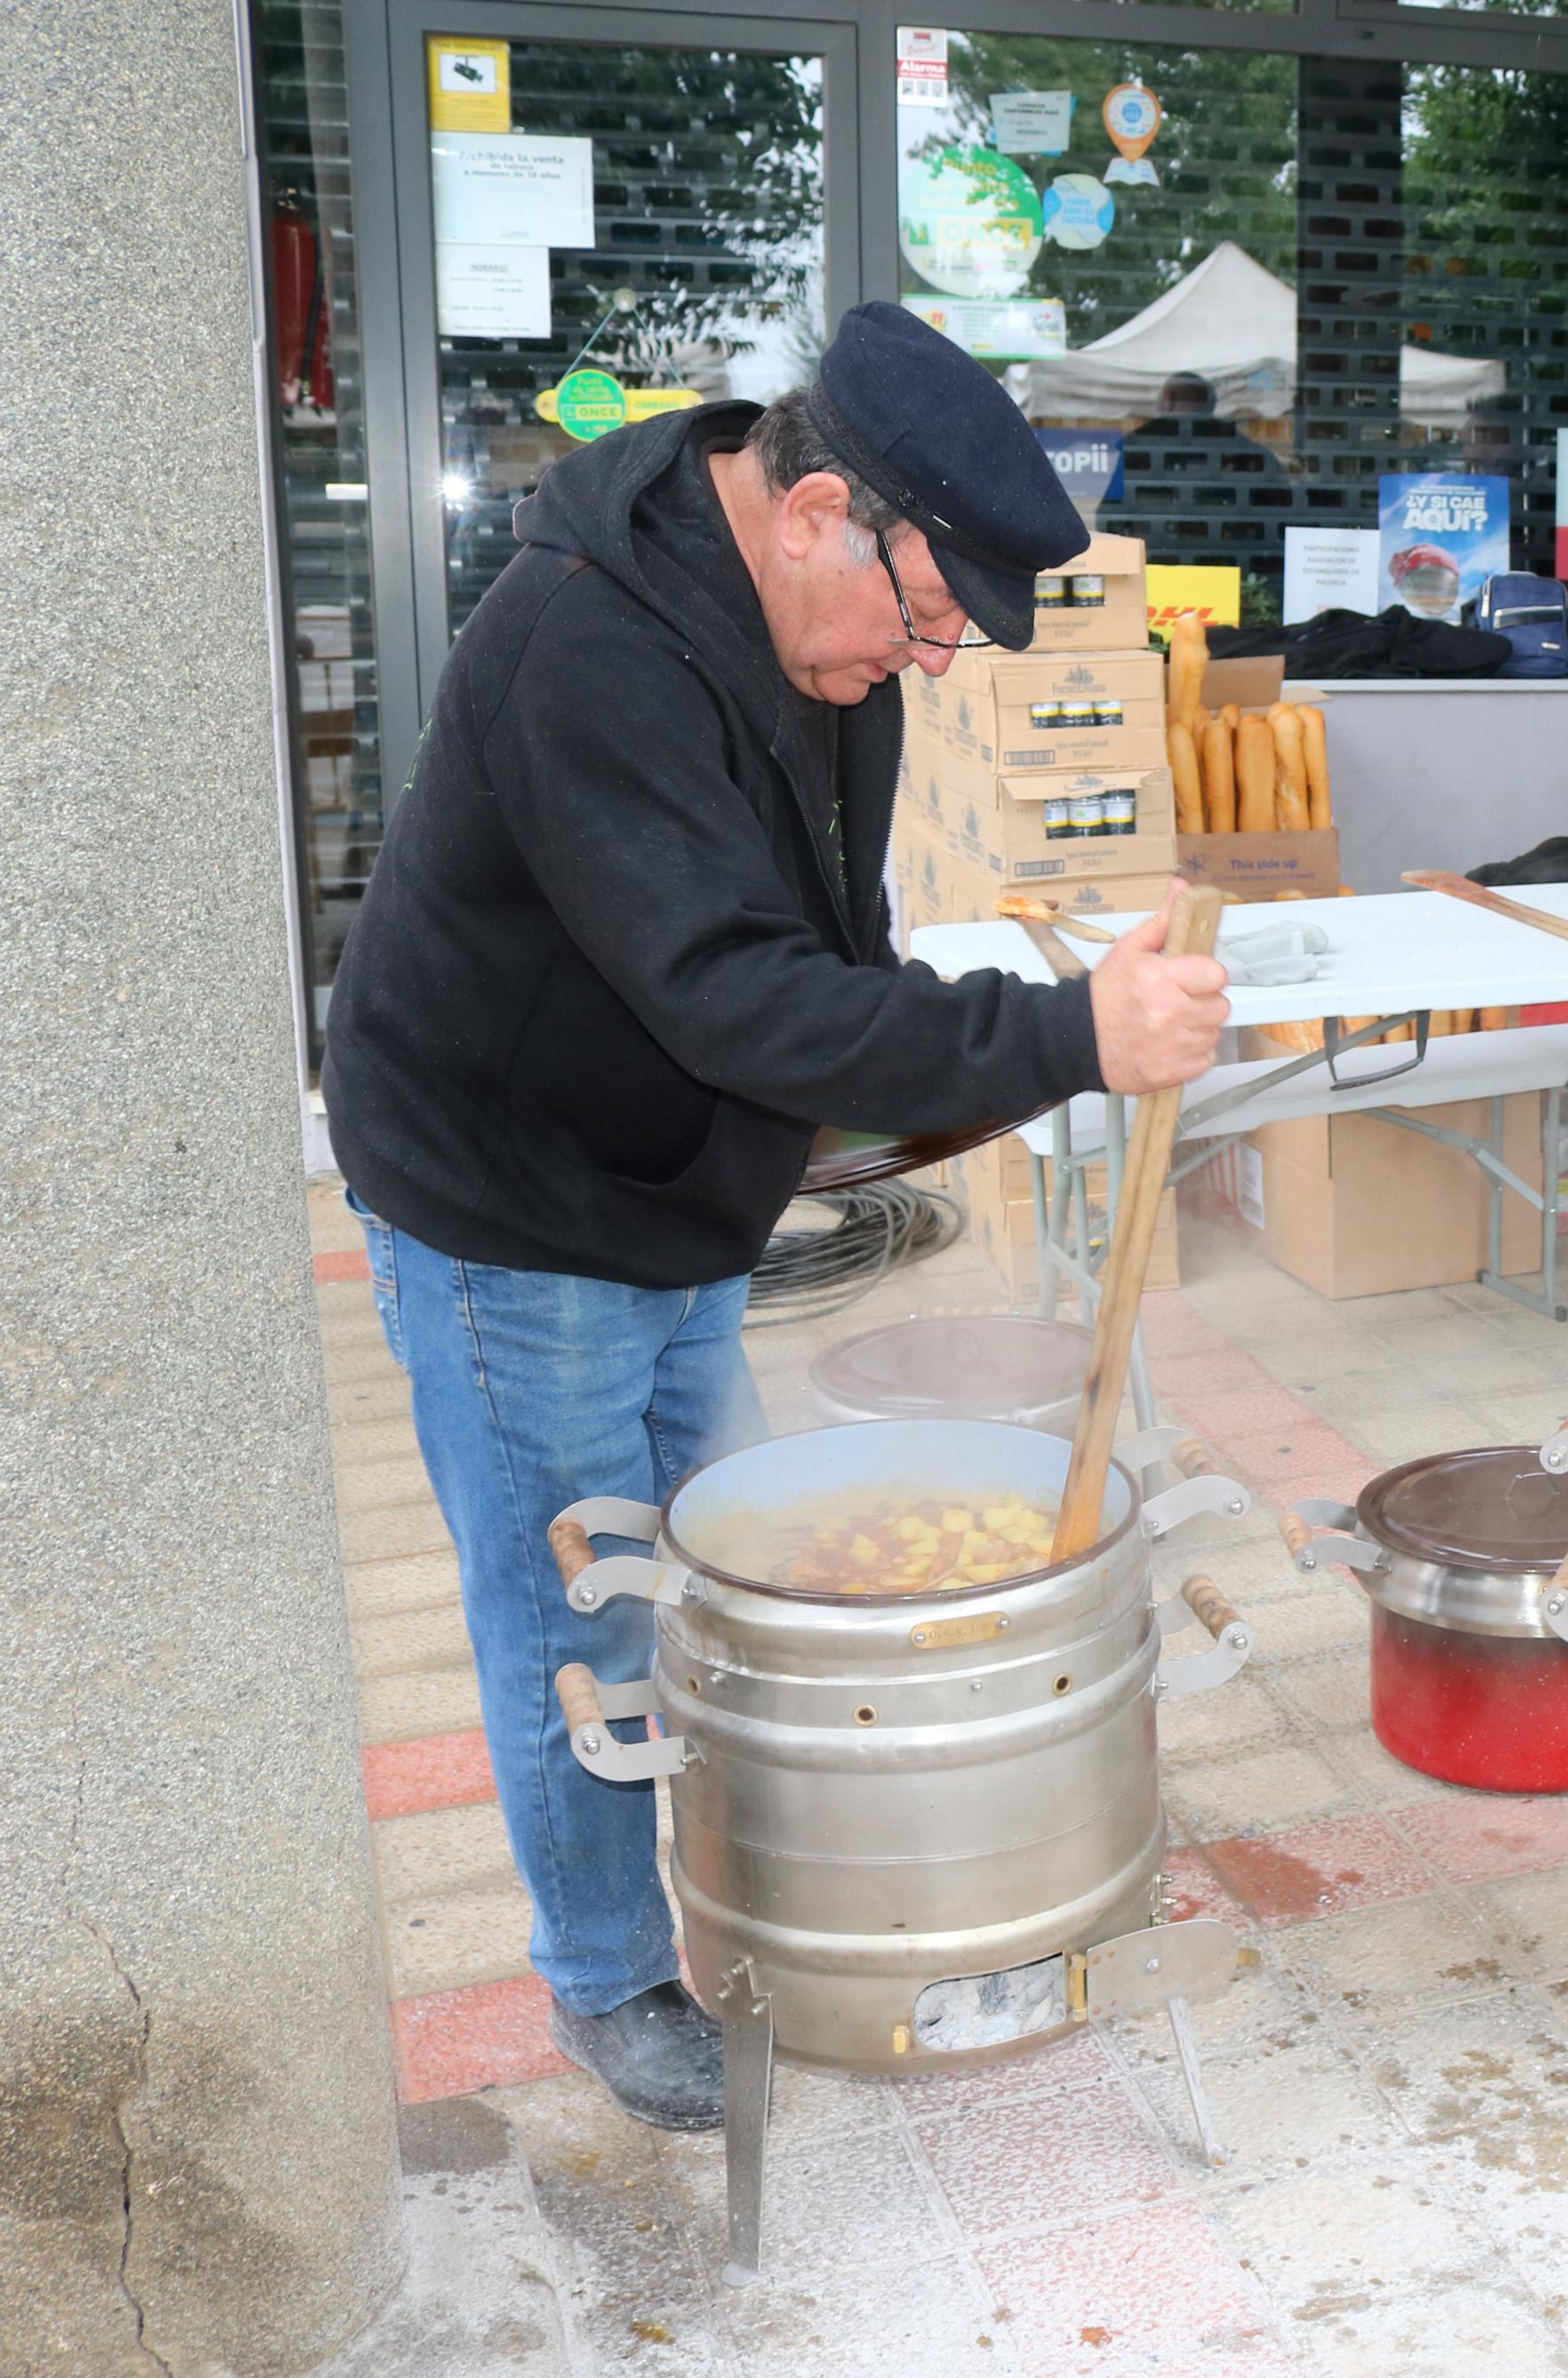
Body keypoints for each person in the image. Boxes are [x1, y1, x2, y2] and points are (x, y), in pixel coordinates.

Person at [322, 304, 1231, 2130]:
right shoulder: (593, 645)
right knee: (578, 1609)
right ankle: (603, 1976)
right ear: (817, 507)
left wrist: (906, 1090)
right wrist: (1064, 1036)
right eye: (917, 621)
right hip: (511, 1200)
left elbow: (824, 937)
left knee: (725, 1588)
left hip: (670, 1183)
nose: (915, 664)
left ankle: (771, 1894)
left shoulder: (829, 645)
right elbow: (731, 989)